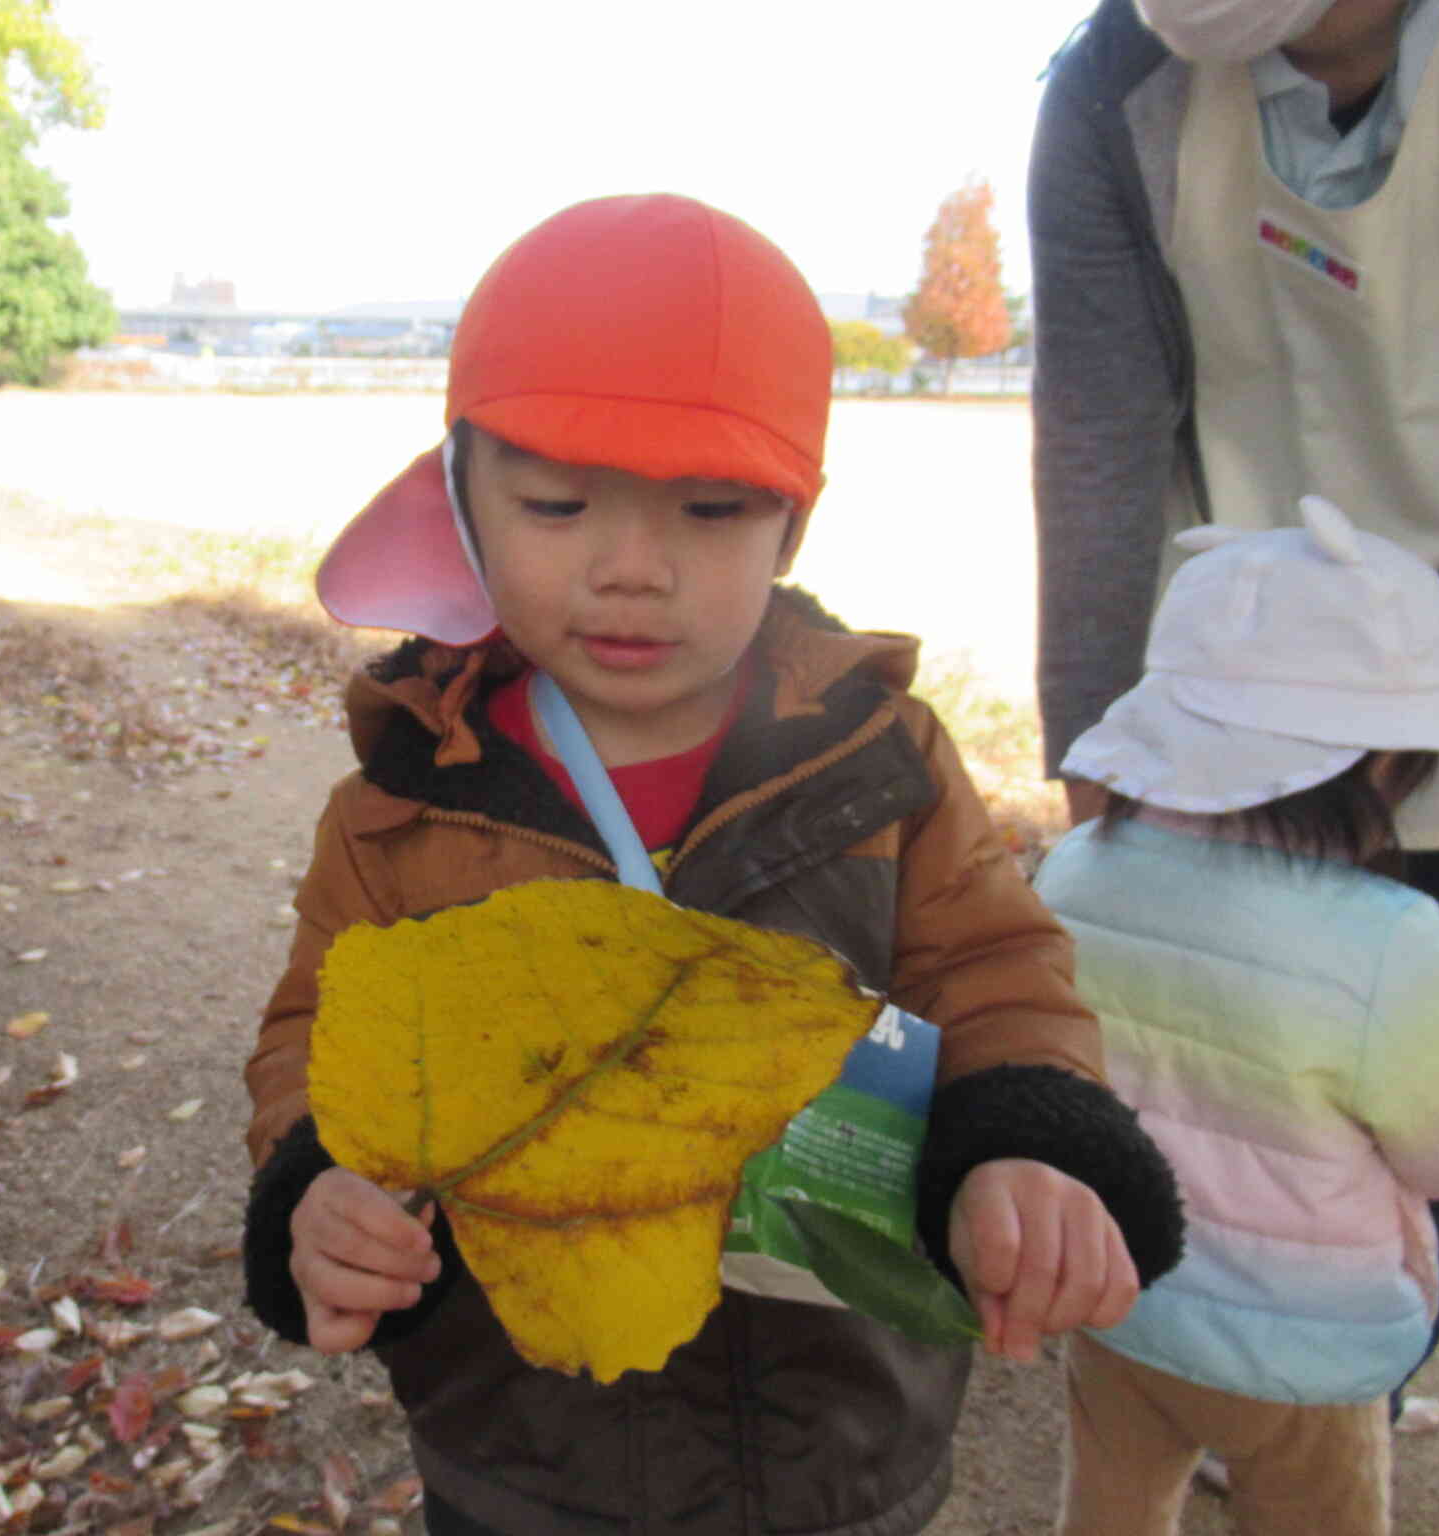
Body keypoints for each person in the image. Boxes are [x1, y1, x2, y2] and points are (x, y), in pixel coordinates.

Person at [239, 193, 1185, 1536]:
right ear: (462, 497)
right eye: (558, 504)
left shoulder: (884, 761)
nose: (635, 569)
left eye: (710, 510)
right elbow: (313, 1042)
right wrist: (318, 1190)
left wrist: (1025, 1149)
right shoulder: (404, 807)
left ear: (792, 525)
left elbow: (997, 971)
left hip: (843, 1451)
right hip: (523, 1461)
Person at [1028, 0, 1439, 1414]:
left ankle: (1359, 1365)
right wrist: (1097, 749)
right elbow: (1099, 441)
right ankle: (1203, 1348)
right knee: (1202, 1046)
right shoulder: (1114, 88)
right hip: (1226, 657)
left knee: (1415, 1033)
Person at [1035, 496, 1439, 1535]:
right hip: (1305, 1349)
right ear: (1382, 762)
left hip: (1117, 1300)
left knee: (1106, 1511)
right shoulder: (1393, 947)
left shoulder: (1071, 873)